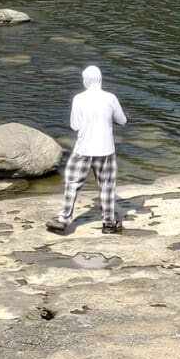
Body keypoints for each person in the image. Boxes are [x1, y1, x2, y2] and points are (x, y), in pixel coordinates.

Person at [48, 64, 126, 235]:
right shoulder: (110, 98)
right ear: (100, 79)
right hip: (105, 149)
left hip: (83, 149)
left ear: (86, 81)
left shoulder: (78, 99)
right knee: (106, 186)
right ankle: (109, 223)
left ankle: (64, 219)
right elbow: (122, 120)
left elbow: (74, 126)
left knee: (72, 184)